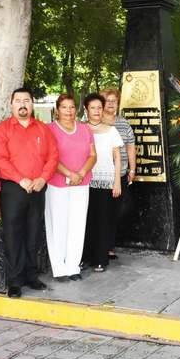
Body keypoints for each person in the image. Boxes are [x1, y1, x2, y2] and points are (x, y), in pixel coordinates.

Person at [0, 87, 58, 298]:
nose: (22, 104)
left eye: (26, 100)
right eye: (18, 100)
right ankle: (14, 281)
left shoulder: (43, 129)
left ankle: (31, 275)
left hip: (38, 187)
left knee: (33, 233)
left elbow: (53, 156)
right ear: (11, 105)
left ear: (32, 104)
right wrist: (21, 179)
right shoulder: (2, 129)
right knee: (13, 234)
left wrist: (42, 178)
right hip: (13, 189)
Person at [46, 94, 96, 282]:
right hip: (58, 184)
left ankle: (73, 266)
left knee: (77, 224)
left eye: (72, 107)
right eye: (65, 107)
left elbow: (92, 155)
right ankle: (59, 268)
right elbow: (50, 158)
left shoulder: (84, 129)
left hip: (81, 183)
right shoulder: (49, 129)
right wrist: (69, 174)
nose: (69, 111)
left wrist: (81, 173)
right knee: (58, 225)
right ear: (57, 110)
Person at [82, 93, 123, 272]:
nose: (97, 111)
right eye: (93, 108)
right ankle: (85, 257)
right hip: (85, 181)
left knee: (104, 220)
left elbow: (117, 157)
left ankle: (100, 259)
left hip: (106, 182)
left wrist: (117, 182)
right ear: (86, 110)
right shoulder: (81, 129)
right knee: (86, 220)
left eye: (99, 107)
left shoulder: (112, 130)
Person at [100, 88, 137, 260]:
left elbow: (130, 146)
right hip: (99, 175)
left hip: (120, 174)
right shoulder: (93, 122)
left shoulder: (123, 123)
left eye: (114, 101)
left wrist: (132, 169)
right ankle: (97, 246)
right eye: (108, 100)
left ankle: (109, 246)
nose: (111, 104)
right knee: (100, 212)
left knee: (115, 212)